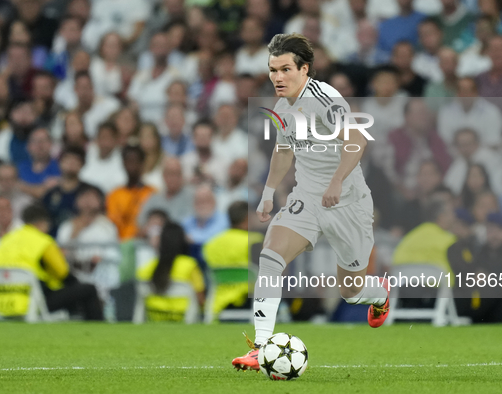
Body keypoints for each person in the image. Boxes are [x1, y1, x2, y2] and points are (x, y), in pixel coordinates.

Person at [232, 33, 389, 371]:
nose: (277, 77)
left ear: (305, 69)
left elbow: (357, 138)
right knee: (271, 255)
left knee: (352, 291)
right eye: (273, 70)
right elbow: (284, 149)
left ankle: (380, 293)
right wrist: (268, 192)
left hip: (347, 201)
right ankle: (260, 347)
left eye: (285, 69)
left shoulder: (324, 98)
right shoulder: (281, 105)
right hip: (306, 198)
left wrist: (336, 181)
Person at [0, 204, 103, 320]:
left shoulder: (5, 240)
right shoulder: (43, 242)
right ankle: (98, 329)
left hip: (0, 303)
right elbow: (63, 273)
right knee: (88, 289)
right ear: (42, 223)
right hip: (32, 302)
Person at [136, 222, 205, 322]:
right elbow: (200, 300)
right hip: (183, 320)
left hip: (154, 320)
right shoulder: (189, 265)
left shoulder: (145, 268)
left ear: (161, 242)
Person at [203, 201, 263, 316]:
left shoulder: (211, 243)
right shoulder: (255, 240)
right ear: (247, 218)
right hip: (249, 300)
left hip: (218, 302)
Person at [106, 145, 155, 240]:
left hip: (145, 245)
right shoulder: (114, 195)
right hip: (118, 245)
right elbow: (112, 224)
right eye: (128, 161)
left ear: (142, 163)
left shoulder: (152, 193)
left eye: (135, 160)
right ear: (123, 163)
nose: (132, 164)